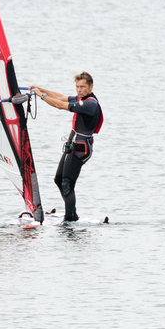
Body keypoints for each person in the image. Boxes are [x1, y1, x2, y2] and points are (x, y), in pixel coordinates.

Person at [30, 72, 103, 222]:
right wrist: (41, 89)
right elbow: (61, 97)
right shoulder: (81, 98)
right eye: (77, 87)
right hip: (73, 145)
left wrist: (41, 96)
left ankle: (69, 219)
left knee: (67, 184)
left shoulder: (90, 103)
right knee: (58, 179)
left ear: (91, 87)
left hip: (81, 148)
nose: (79, 90)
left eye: (82, 87)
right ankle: (72, 213)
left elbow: (60, 105)